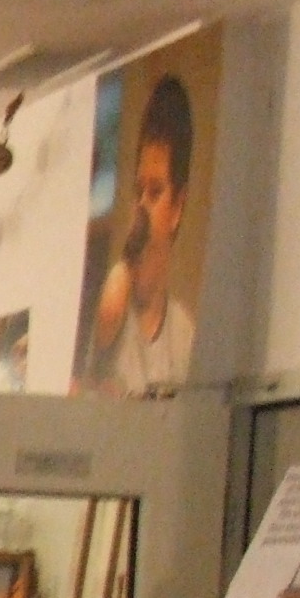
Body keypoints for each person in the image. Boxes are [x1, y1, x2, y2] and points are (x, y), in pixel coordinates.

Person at [84, 74, 198, 397]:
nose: (143, 205)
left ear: (177, 207)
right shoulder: (116, 295)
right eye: (139, 191)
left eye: (156, 191)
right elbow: (110, 308)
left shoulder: (185, 334)